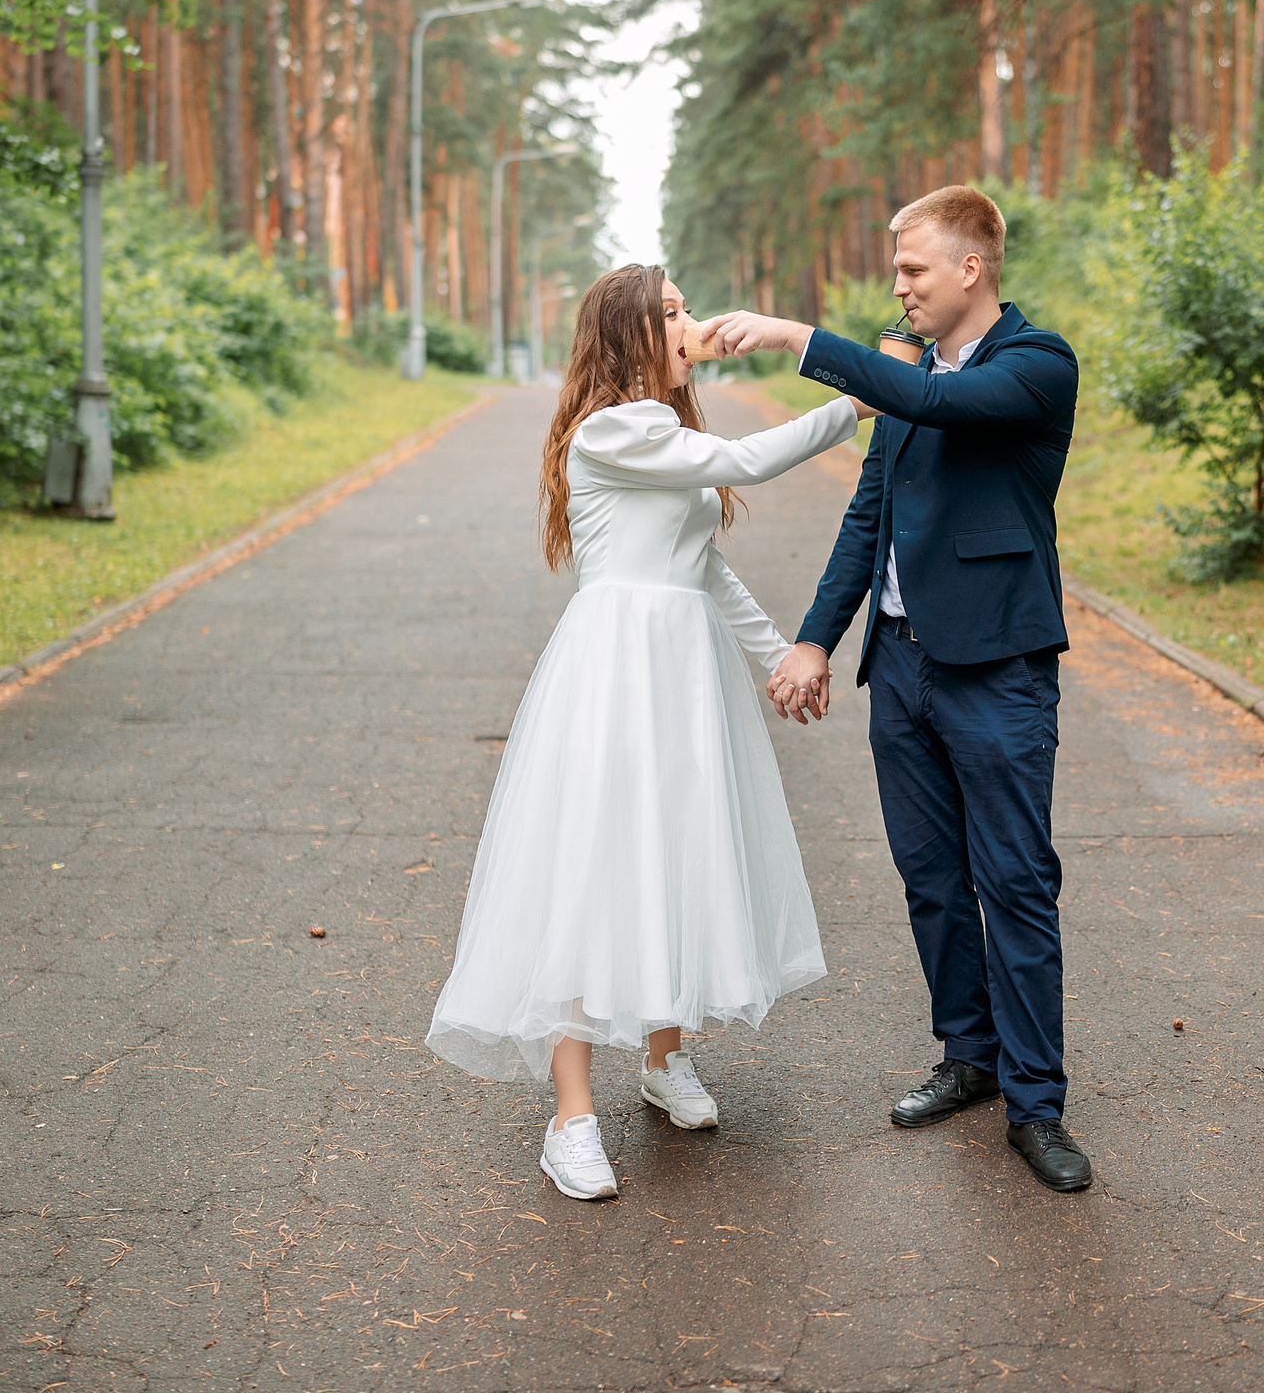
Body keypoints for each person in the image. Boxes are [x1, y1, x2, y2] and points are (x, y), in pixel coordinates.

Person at [425, 263, 867, 1202]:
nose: (693, 325)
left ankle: (666, 1061)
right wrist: (861, 395)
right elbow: (751, 463)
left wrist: (778, 653)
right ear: (627, 334)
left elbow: (703, 567)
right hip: (615, 668)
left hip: (683, 666)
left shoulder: (667, 429)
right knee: (592, 866)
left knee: (674, 848)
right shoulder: (617, 428)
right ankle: (572, 1118)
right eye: (672, 314)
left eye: (689, 309)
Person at [712, 184, 1089, 1193]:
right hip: (905, 668)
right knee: (930, 881)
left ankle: (1037, 1103)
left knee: (1011, 881)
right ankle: (968, 1055)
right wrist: (813, 639)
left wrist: (801, 338)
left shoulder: (1034, 365)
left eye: (914, 270)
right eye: (897, 274)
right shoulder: (908, 376)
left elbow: (940, 404)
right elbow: (867, 514)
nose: (901, 288)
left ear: (972, 268)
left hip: (998, 668)